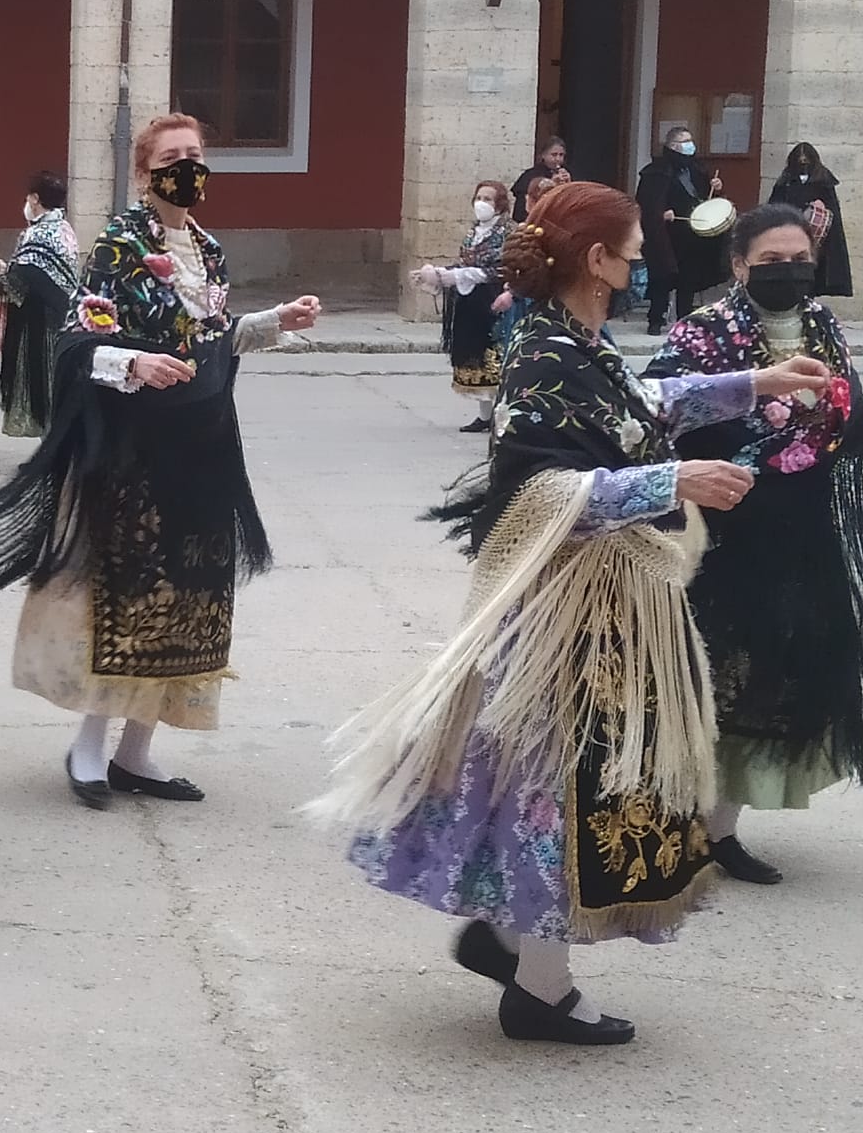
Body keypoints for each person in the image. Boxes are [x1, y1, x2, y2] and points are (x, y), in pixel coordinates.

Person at [312, 181, 829, 1046]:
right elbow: (536, 486)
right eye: (631, 254)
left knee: (561, 786)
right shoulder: (542, 358)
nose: (640, 266)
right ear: (595, 262)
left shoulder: (580, 344)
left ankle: (509, 938)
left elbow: (648, 401)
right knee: (565, 790)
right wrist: (674, 480)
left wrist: (755, 380)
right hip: (570, 615)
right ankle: (540, 990)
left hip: (612, 606)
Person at [0, 113, 321, 809]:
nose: (186, 166)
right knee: (126, 598)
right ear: (143, 172)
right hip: (136, 453)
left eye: (194, 155)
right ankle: (91, 747)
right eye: (172, 156)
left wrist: (275, 322)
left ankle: (138, 753)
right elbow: (79, 341)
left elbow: (209, 337)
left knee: (190, 600)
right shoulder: (120, 246)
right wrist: (133, 360)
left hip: (202, 448)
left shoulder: (208, 249)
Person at [645, 202, 862, 884]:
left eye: (799, 259)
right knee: (708, 676)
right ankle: (664, 814)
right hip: (724, 534)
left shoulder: (824, 325)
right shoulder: (701, 335)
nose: (789, 271)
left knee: (773, 679)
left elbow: (844, 407)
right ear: (739, 265)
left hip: (802, 530)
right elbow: (659, 411)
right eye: (771, 262)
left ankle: (720, 830)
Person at [411, 179, 515, 433]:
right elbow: (462, 263)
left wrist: (464, 275)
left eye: (488, 199)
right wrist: (436, 274)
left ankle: (505, 416)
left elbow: (504, 269)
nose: (481, 204)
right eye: (479, 198)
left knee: (495, 358)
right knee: (475, 359)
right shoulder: (473, 232)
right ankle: (484, 416)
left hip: (494, 301)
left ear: (500, 204)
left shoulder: (509, 232)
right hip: (470, 303)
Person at [0, 170, 80, 438]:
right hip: (61, 316)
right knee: (56, 382)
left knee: (41, 382)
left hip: (38, 321)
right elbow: (34, 270)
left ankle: (50, 447)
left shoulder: (37, 234)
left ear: (35, 198)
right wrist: (4, 268)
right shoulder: (64, 229)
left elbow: (22, 283)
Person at [637, 126, 727, 334]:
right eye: (685, 142)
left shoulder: (696, 169)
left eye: (690, 141)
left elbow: (706, 197)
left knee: (688, 278)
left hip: (691, 231)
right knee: (663, 276)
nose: (690, 146)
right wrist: (661, 213)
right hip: (667, 233)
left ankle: (684, 318)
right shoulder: (656, 171)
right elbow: (647, 202)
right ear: (673, 146)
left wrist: (717, 187)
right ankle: (656, 319)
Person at [768, 141, 851, 299]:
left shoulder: (823, 181)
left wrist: (821, 207)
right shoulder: (785, 181)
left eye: (806, 160)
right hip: (791, 232)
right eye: (800, 160)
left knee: (814, 271)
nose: (803, 163)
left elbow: (832, 210)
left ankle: (810, 300)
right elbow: (775, 205)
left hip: (818, 240)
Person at [510, 137, 571, 222]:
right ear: (543, 155)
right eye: (554, 155)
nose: (558, 159)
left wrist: (569, 184)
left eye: (561, 155)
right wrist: (551, 183)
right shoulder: (531, 174)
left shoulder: (567, 172)